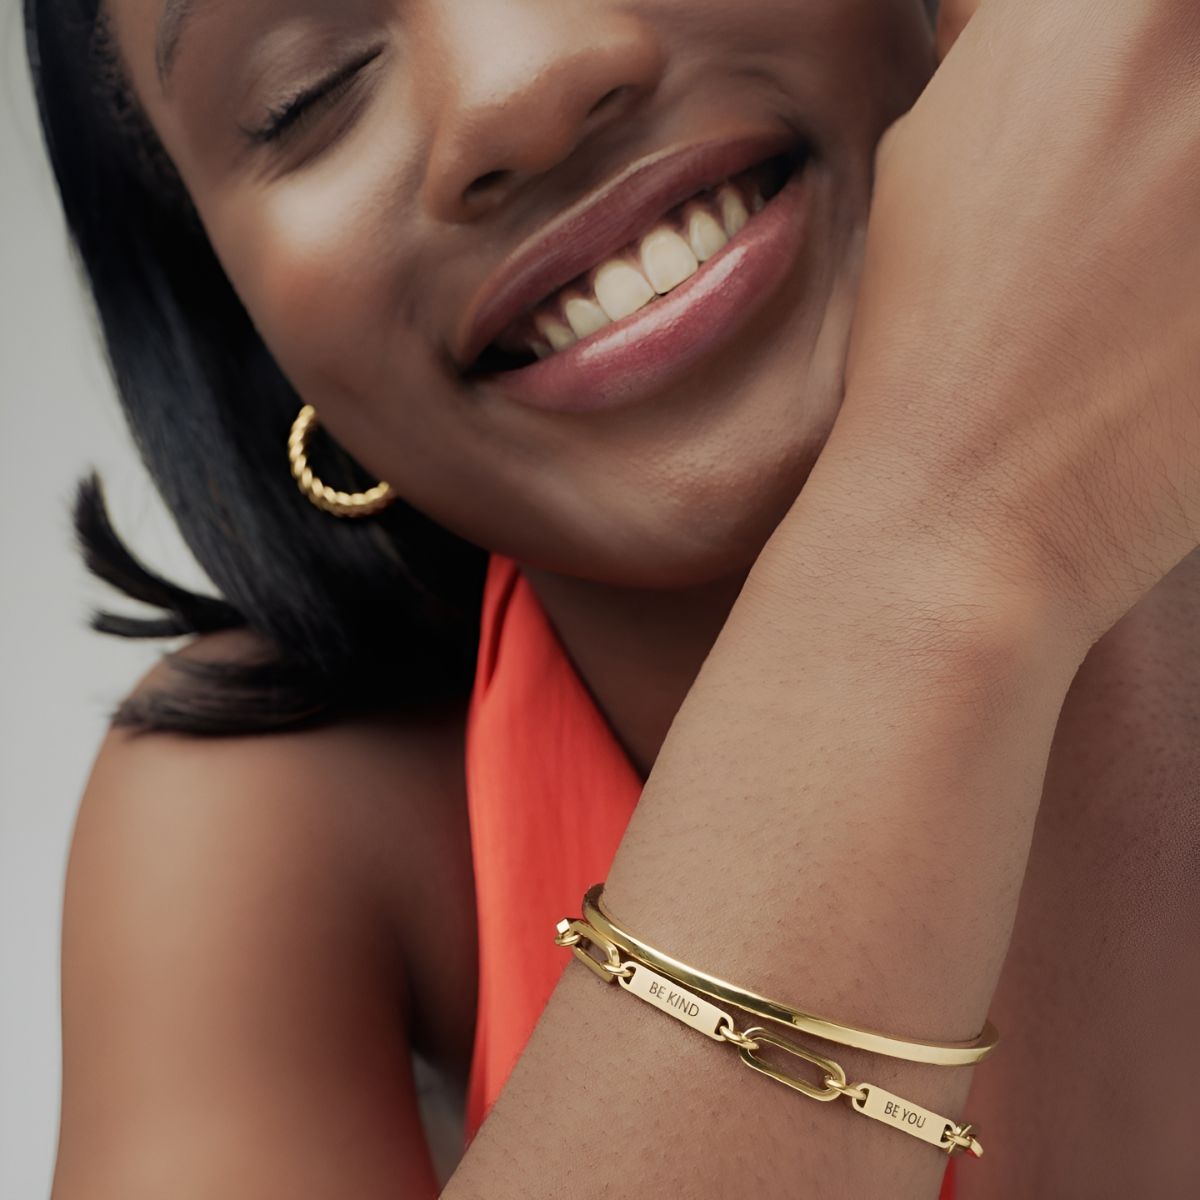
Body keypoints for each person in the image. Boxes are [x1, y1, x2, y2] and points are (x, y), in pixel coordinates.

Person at [26, 0, 1199, 1196]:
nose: (519, 91)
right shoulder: (269, 819)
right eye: (308, 88)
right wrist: (950, 527)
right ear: (248, 325)